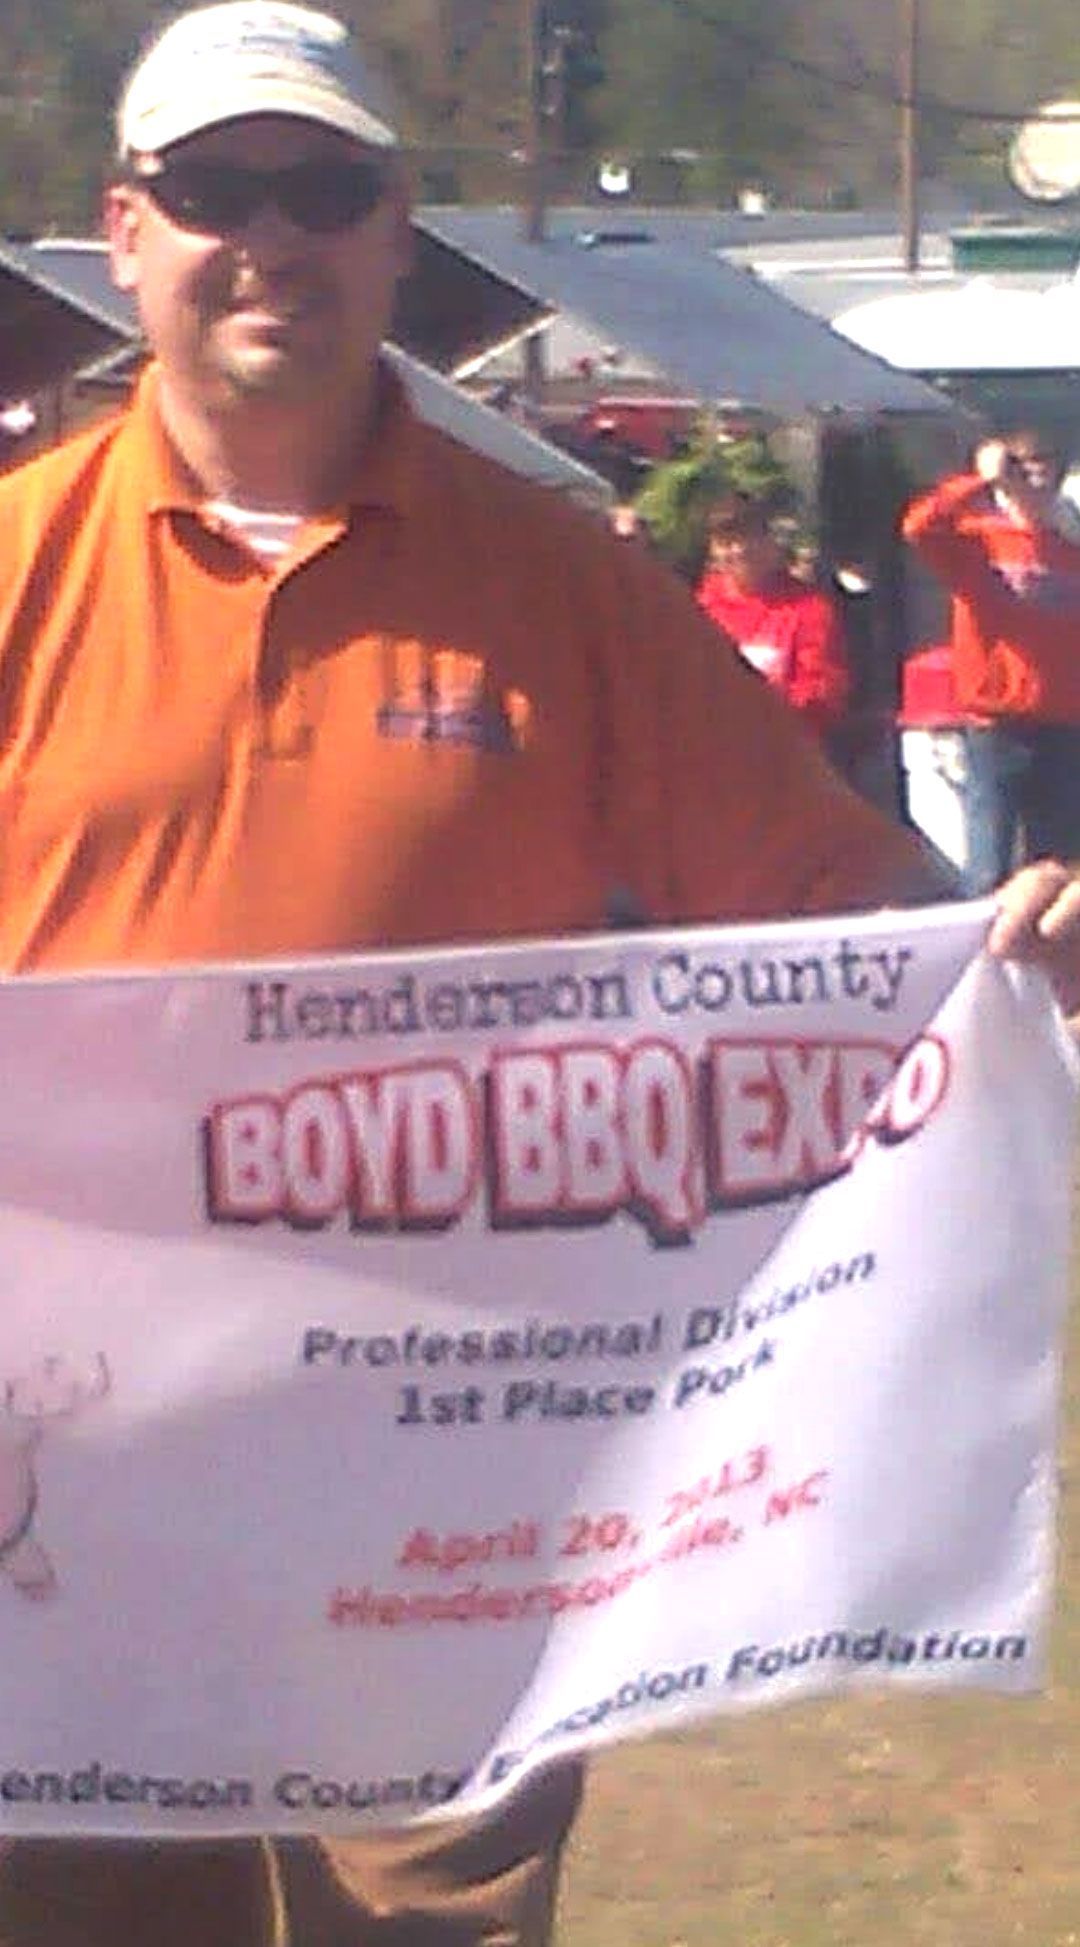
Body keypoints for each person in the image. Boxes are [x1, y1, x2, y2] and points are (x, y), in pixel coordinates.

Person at [0, 6, 1078, 1944]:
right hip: (74, 1491)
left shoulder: (559, 579)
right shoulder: (13, 570)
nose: (275, 237)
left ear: (397, 229)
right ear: (126, 231)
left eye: (325, 188)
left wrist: (996, 955)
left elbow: (824, 899)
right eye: (216, 190)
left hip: (443, 1464)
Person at [902, 428, 1080, 887]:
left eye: (1046, 462)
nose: (1035, 473)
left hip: (1065, 727)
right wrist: (979, 480)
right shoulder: (977, 540)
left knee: (1054, 873)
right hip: (997, 725)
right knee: (989, 870)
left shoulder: (1072, 543)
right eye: (1022, 463)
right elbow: (918, 527)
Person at [696, 492, 851, 744]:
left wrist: (752, 709)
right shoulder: (701, 610)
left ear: (771, 542)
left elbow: (823, 694)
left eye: (749, 538)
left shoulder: (809, 609)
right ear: (713, 552)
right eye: (726, 542)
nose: (739, 550)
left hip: (782, 758)